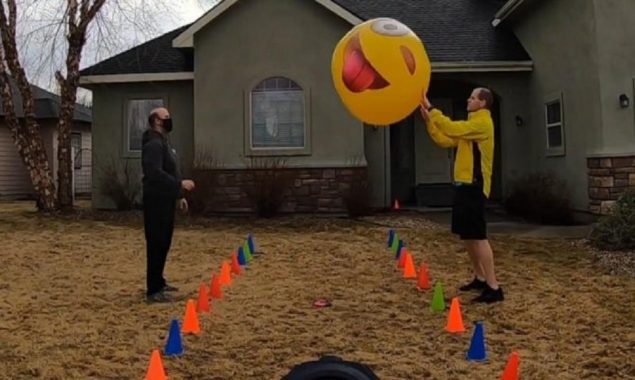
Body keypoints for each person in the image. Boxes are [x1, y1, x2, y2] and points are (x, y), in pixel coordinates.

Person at [419, 88, 504, 304]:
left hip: (475, 187)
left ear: (483, 103)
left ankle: (494, 288)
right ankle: (480, 277)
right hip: (463, 186)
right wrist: (430, 122)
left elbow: (450, 126)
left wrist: (431, 108)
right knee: (467, 236)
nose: (469, 99)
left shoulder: (482, 123)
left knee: (478, 236)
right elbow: (445, 140)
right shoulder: (470, 128)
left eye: (473, 97)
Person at [142, 107, 195, 303]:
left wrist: (177, 195)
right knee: (156, 244)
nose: (169, 120)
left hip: (165, 199)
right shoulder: (154, 144)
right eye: (166, 117)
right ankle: (153, 290)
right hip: (155, 201)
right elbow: (154, 173)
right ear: (156, 120)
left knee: (164, 243)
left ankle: (159, 282)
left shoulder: (163, 142)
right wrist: (180, 184)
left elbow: (170, 170)